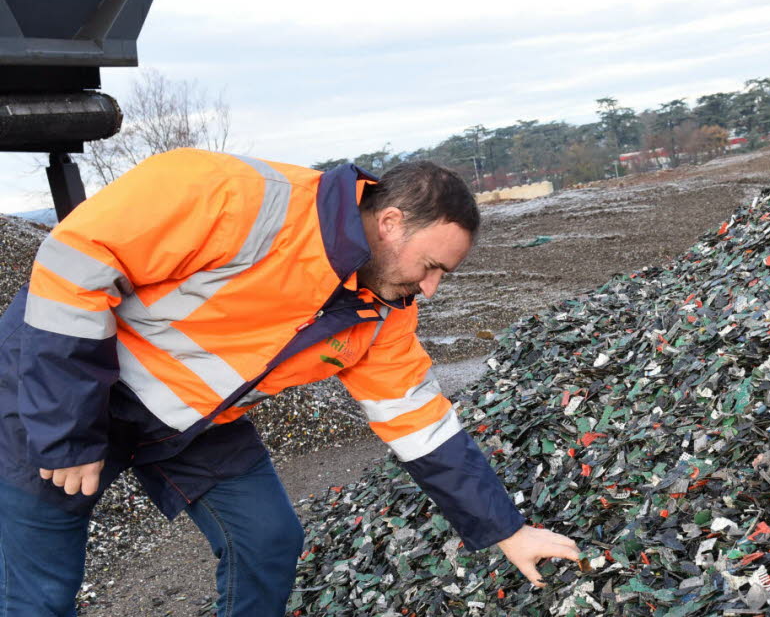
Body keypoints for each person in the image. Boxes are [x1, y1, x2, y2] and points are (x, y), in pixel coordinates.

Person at [0, 148, 579, 616]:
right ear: (392, 222)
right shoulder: (231, 194)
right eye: (432, 268)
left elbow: (419, 422)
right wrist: (68, 432)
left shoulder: (381, 311)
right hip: (59, 386)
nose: (430, 289)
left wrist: (507, 530)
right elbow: (72, 268)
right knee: (40, 592)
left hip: (190, 422)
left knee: (268, 541)